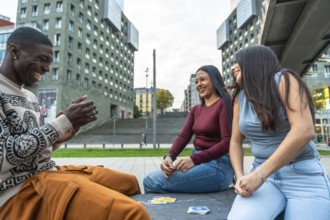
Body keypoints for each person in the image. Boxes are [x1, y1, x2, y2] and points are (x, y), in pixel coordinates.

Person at [0, 27, 150, 220]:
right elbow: (4, 157)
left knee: (128, 183)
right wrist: (62, 122)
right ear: (14, 51)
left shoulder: (30, 96)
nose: (47, 68)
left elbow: (32, 151)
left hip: (46, 172)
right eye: (42, 59)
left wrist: (58, 139)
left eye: (49, 62)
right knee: (133, 213)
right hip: (16, 191)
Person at [227, 45, 330, 219]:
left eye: (237, 62)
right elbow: (235, 142)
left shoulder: (285, 79)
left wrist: (260, 175)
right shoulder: (239, 97)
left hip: (302, 175)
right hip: (263, 178)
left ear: (254, 62)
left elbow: (304, 130)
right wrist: (240, 177)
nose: (232, 67)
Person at [143, 65, 234, 193]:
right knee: (156, 180)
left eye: (203, 79)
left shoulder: (224, 104)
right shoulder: (196, 110)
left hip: (218, 166)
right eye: (196, 81)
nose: (199, 84)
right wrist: (169, 156)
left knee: (151, 180)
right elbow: (184, 136)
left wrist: (194, 160)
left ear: (214, 80)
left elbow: (227, 142)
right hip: (198, 162)